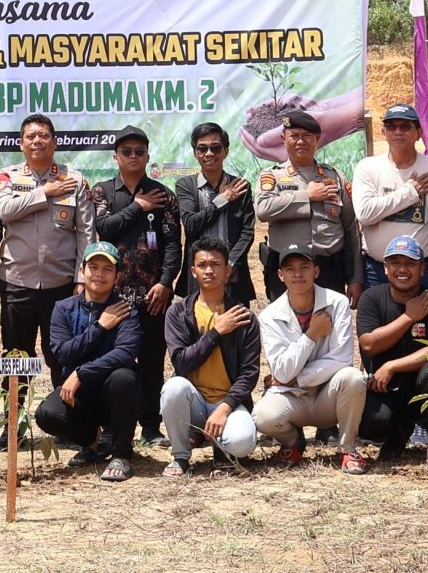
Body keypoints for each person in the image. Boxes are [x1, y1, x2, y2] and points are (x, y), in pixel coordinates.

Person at [91, 125, 180, 442]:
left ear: (147, 156)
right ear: (116, 157)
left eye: (139, 151)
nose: (133, 156)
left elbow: (173, 245)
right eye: (126, 151)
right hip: (112, 296)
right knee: (113, 361)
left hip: (153, 296)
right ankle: (112, 428)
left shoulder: (164, 195)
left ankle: (151, 427)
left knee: (153, 361)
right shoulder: (103, 191)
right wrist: (137, 207)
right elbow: (104, 228)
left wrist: (166, 283)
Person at [253, 244, 370, 472]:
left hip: (328, 396)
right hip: (292, 398)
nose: (298, 274)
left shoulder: (337, 302)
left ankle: (348, 449)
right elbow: (282, 371)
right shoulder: (269, 316)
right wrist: (311, 335)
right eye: (290, 269)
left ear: (316, 271)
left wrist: (297, 379)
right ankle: (292, 443)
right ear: (280, 275)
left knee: (353, 377)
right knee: (263, 417)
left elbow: (342, 359)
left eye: (304, 267)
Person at [34, 242, 145, 481]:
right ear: (82, 270)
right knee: (47, 414)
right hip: (79, 396)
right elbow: (63, 354)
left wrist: (81, 373)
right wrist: (100, 326)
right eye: (93, 267)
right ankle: (93, 443)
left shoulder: (125, 310)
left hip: (113, 393)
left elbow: (125, 353)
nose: (99, 274)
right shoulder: (63, 308)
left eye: (107, 269)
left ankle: (122, 454)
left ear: (117, 276)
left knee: (124, 377)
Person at [158, 235, 261, 476]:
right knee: (173, 388)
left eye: (215, 264)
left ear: (228, 270)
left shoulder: (244, 317)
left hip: (228, 402)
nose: (209, 271)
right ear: (193, 271)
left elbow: (249, 374)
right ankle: (181, 456)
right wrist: (216, 332)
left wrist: (224, 408)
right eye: (202, 265)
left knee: (243, 443)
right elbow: (181, 363)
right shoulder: (178, 313)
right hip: (193, 401)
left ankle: (221, 447)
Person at [355, 236, 428, 473]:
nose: (402, 269)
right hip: (386, 388)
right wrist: (409, 317)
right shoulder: (371, 298)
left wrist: (392, 366)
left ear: (422, 268)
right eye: (395, 263)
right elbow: (369, 344)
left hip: (424, 387)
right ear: (385, 268)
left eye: (410, 263)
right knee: (371, 424)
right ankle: (398, 433)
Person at [0, 114, 84, 357]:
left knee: (62, 357)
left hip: (61, 283)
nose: (37, 141)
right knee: (16, 359)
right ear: (21, 143)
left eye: (43, 136)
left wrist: (81, 279)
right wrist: (45, 192)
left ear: (55, 142)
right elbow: (4, 210)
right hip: (17, 283)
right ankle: (18, 386)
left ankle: (60, 385)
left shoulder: (74, 180)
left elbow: (86, 232)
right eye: (30, 136)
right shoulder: (7, 176)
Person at [254, 109, 355, 299]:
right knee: (285, 318)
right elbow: (263, 209)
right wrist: (307, 196)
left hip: (329, 269)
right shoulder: (272, 176)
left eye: (307, 136)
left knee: (328, 318)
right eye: (294, 136)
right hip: (287, 268)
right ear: (283, 139)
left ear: (317, 139)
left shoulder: (335, 177)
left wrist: (356, 278)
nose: (301, 141)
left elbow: (351, 228)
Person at [352, 103, 428, 302]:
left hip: (423, 271)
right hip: (377, 271)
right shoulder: (368, 168)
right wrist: (410, 192)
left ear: (419, 133)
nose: (398, 132)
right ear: (383, 132)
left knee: (426, 322)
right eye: (391, 126)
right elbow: (365, 214)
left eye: (405, 126)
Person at [175, 121, 257, 306]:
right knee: (197, 322)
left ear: (225, 151)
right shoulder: (186, 185)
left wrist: (230, 264)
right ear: (195, 153)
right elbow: (191, 225)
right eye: (202, 148)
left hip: (233, 276)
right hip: (198, 274)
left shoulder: (241, 187)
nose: (209, 153)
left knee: (237, 322)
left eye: (215, 148)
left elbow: (247, 232)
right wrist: (222, 199)